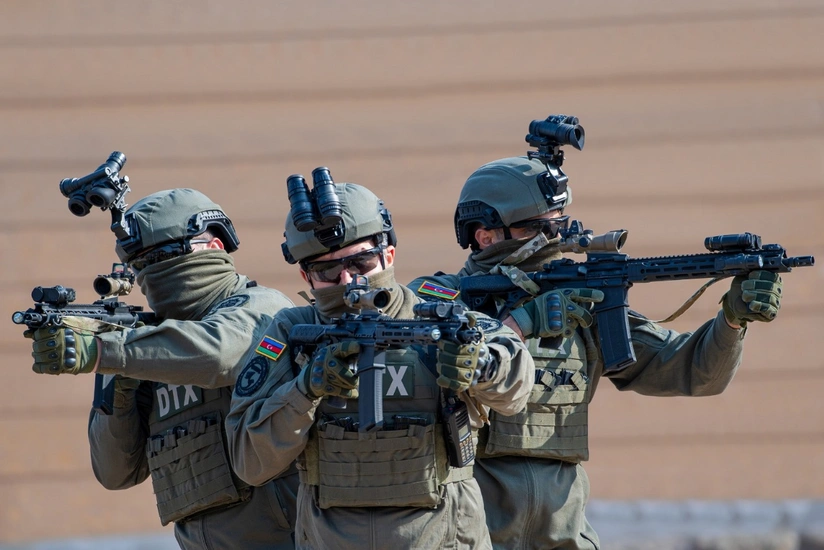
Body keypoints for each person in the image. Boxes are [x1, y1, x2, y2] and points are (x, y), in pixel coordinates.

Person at [409, 156, 783, 549]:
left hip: (565, 536)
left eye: (558, 225)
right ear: (485, 236)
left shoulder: (579, 304)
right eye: (537, 229)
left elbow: (694, 370)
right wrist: (520, 324)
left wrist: (732, 320)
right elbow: (429, 369)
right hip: (472, 534)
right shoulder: (437, 299)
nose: (553, 239)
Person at [224, 174, 535, 550]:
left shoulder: (439, 313)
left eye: (361, 261)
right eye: (327, 271)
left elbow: (517, 386)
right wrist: (305, 390)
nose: (347, 279)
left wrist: (480, 364)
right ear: (306, 275)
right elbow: (250, 462)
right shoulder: (292, 332)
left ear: (388, 254)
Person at [28, 188, 299, 549]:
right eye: (140, 264)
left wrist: (104, 351)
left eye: (164, 256)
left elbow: (218, 354)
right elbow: (115, 472)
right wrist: (119, 387)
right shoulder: (145, 347)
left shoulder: (263, 308)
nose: (151, 273)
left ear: (215, 247)